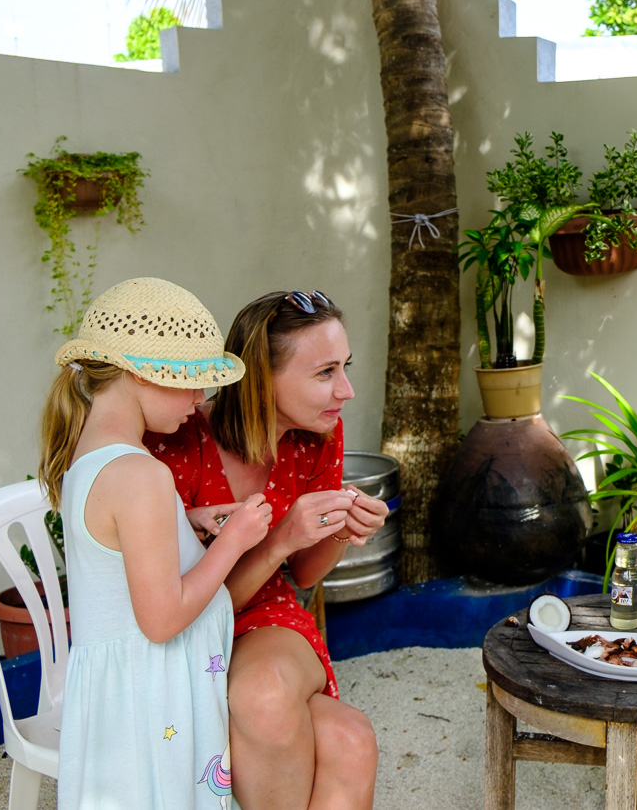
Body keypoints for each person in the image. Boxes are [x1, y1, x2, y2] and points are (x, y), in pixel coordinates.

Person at [145, 289, 386, 810]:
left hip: (263, 616)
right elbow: (188, 608)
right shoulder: (177, 439)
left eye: (344, 367)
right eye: (325, 373)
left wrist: (343, 529)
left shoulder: (319, 436)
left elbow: (303, 576)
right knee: (348, 738)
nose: (346, 390)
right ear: (260, 377)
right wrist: (279, 538)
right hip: (179, 625)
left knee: (267, 690)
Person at [40, 277, 273, 809]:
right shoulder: (141, 475)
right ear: (137, 375)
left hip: (120, 706)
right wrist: (232, 543)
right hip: (154, 706)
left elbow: (111, 541)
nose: (199, 398)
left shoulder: (92, 455)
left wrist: (182, 521)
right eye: (188, 379)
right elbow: (162, 619)